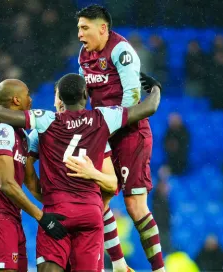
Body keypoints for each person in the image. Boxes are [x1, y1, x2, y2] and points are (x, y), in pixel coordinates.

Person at [0, 73, 161, 272]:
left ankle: (118, 262)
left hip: (57, 209)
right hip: (90, 212)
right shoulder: (103, 117)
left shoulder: (46, 120)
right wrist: (156, 88)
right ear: (85, 95)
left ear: (59, 98)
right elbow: (149, 108)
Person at [76, 5, 166, 271]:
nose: (80, 35)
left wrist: (107, 127)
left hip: (130, 133)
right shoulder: (84, 54)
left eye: (85, 28)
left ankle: (159, 269)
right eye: (78, 28)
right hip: (103, 135)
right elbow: (84, 97)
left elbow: (133, 98)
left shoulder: (121, 51)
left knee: (135, 206)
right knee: (98, 200)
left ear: (102, 28)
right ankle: (118, 265)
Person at [0, 79, 67, 272]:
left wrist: (55, 206)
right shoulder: (2, 130)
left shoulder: (20, 133)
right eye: (27, 95)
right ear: (16, 100)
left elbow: (30, 181)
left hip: (11, 216)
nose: (31, 100)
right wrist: (41, 217)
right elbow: (6, 184)